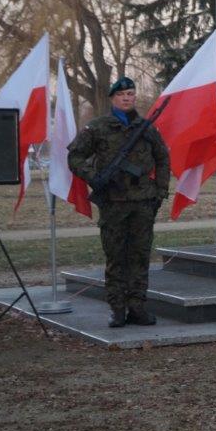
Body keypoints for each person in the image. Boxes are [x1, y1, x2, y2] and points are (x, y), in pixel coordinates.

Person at [67, 77, 170, 327]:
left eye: (131, 94)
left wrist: (160, 191)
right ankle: (117, 309)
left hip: (143, 202)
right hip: (113, 202)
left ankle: (137, 308)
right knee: (115, 258)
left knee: (140, 256)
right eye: (122, 94)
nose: (127, 98)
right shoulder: (98, 127)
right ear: (113, 98)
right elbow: (75, 156)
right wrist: (95, 178)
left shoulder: (146, 128)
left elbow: (163, 159)